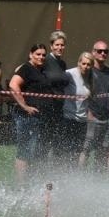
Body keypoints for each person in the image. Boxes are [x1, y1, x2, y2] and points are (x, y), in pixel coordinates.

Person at [8, 44, 49, 186]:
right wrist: (24, 106)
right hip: (25, 117)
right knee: (24, 151)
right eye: (38, 54)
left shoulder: (40, 70)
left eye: (44, 55)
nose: (41, 57)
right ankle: (21, 186)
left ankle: (30, 182)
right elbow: (13, 85)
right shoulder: (26, 68)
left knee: (33, 150)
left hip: (37, 117)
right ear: (31, 54)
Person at [79, 39, 109, 172]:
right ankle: (80, 177)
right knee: (86, 148)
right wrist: (88, 112)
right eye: (99, 51)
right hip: (92, 116)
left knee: (104, 150)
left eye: (105, 51)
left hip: (108, 118)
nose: (102, 54)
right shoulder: (88, 70)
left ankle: (98, 179)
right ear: (93, 52)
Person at [43, 31, 74, 161]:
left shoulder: (62, 64)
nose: (59, 47)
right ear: (51, 46)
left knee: (57, 144)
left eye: (62, 45)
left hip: (59, 108)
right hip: (46, 108)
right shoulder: (45, 60)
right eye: (57, 44)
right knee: (44, 143)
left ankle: (55, 174)